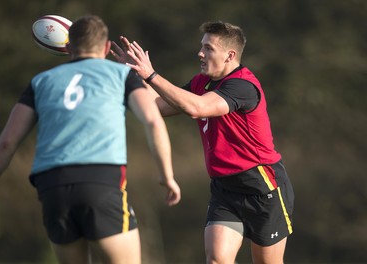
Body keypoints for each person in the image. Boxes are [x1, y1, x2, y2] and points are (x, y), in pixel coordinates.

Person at [0, 15, 181, 264]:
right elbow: (153, 120)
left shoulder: (40, 82)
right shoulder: (121, 75)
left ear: (67, 47)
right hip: (100, 182)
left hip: (52, 188)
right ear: (106, 47)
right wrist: (167, 176)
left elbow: (7, 142)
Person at [111, 21, 294, 264]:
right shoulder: (201, 83)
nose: (200, 53)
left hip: (262, 187)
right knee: (217, 260)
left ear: (230, 55)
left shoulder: (243, 85)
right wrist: (135, 74)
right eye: (201, 46)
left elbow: (197, 108)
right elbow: (159, 106)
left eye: (208, 48)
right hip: (224, 188)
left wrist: (152, 75)